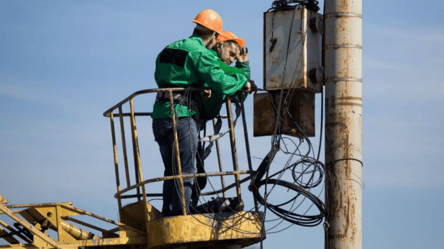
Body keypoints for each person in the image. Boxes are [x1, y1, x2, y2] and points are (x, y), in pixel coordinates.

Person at [151, 9, 252, 217]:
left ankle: (168, 212)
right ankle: (182, 214)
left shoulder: (169, 48)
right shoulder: (201, 53)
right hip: (181, 116)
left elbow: (161, 76)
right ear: (215, 37)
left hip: (160, 116)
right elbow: (221, 82)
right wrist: (244, 80)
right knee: (188, 170)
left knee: (171, 171)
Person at [191, 31, 257, 210]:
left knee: (198, 177)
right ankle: (184, 209)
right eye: (231, 54)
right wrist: (243, 73)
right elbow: (227, 75)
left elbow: (236, 97)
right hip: (187, 120)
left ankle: (190, 209)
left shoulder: (223, 68)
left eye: (236, 57)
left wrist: (242, 80)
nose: (234, 59)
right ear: (219, 46)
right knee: (191, 174)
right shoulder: (210, 59)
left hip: (196, 123)